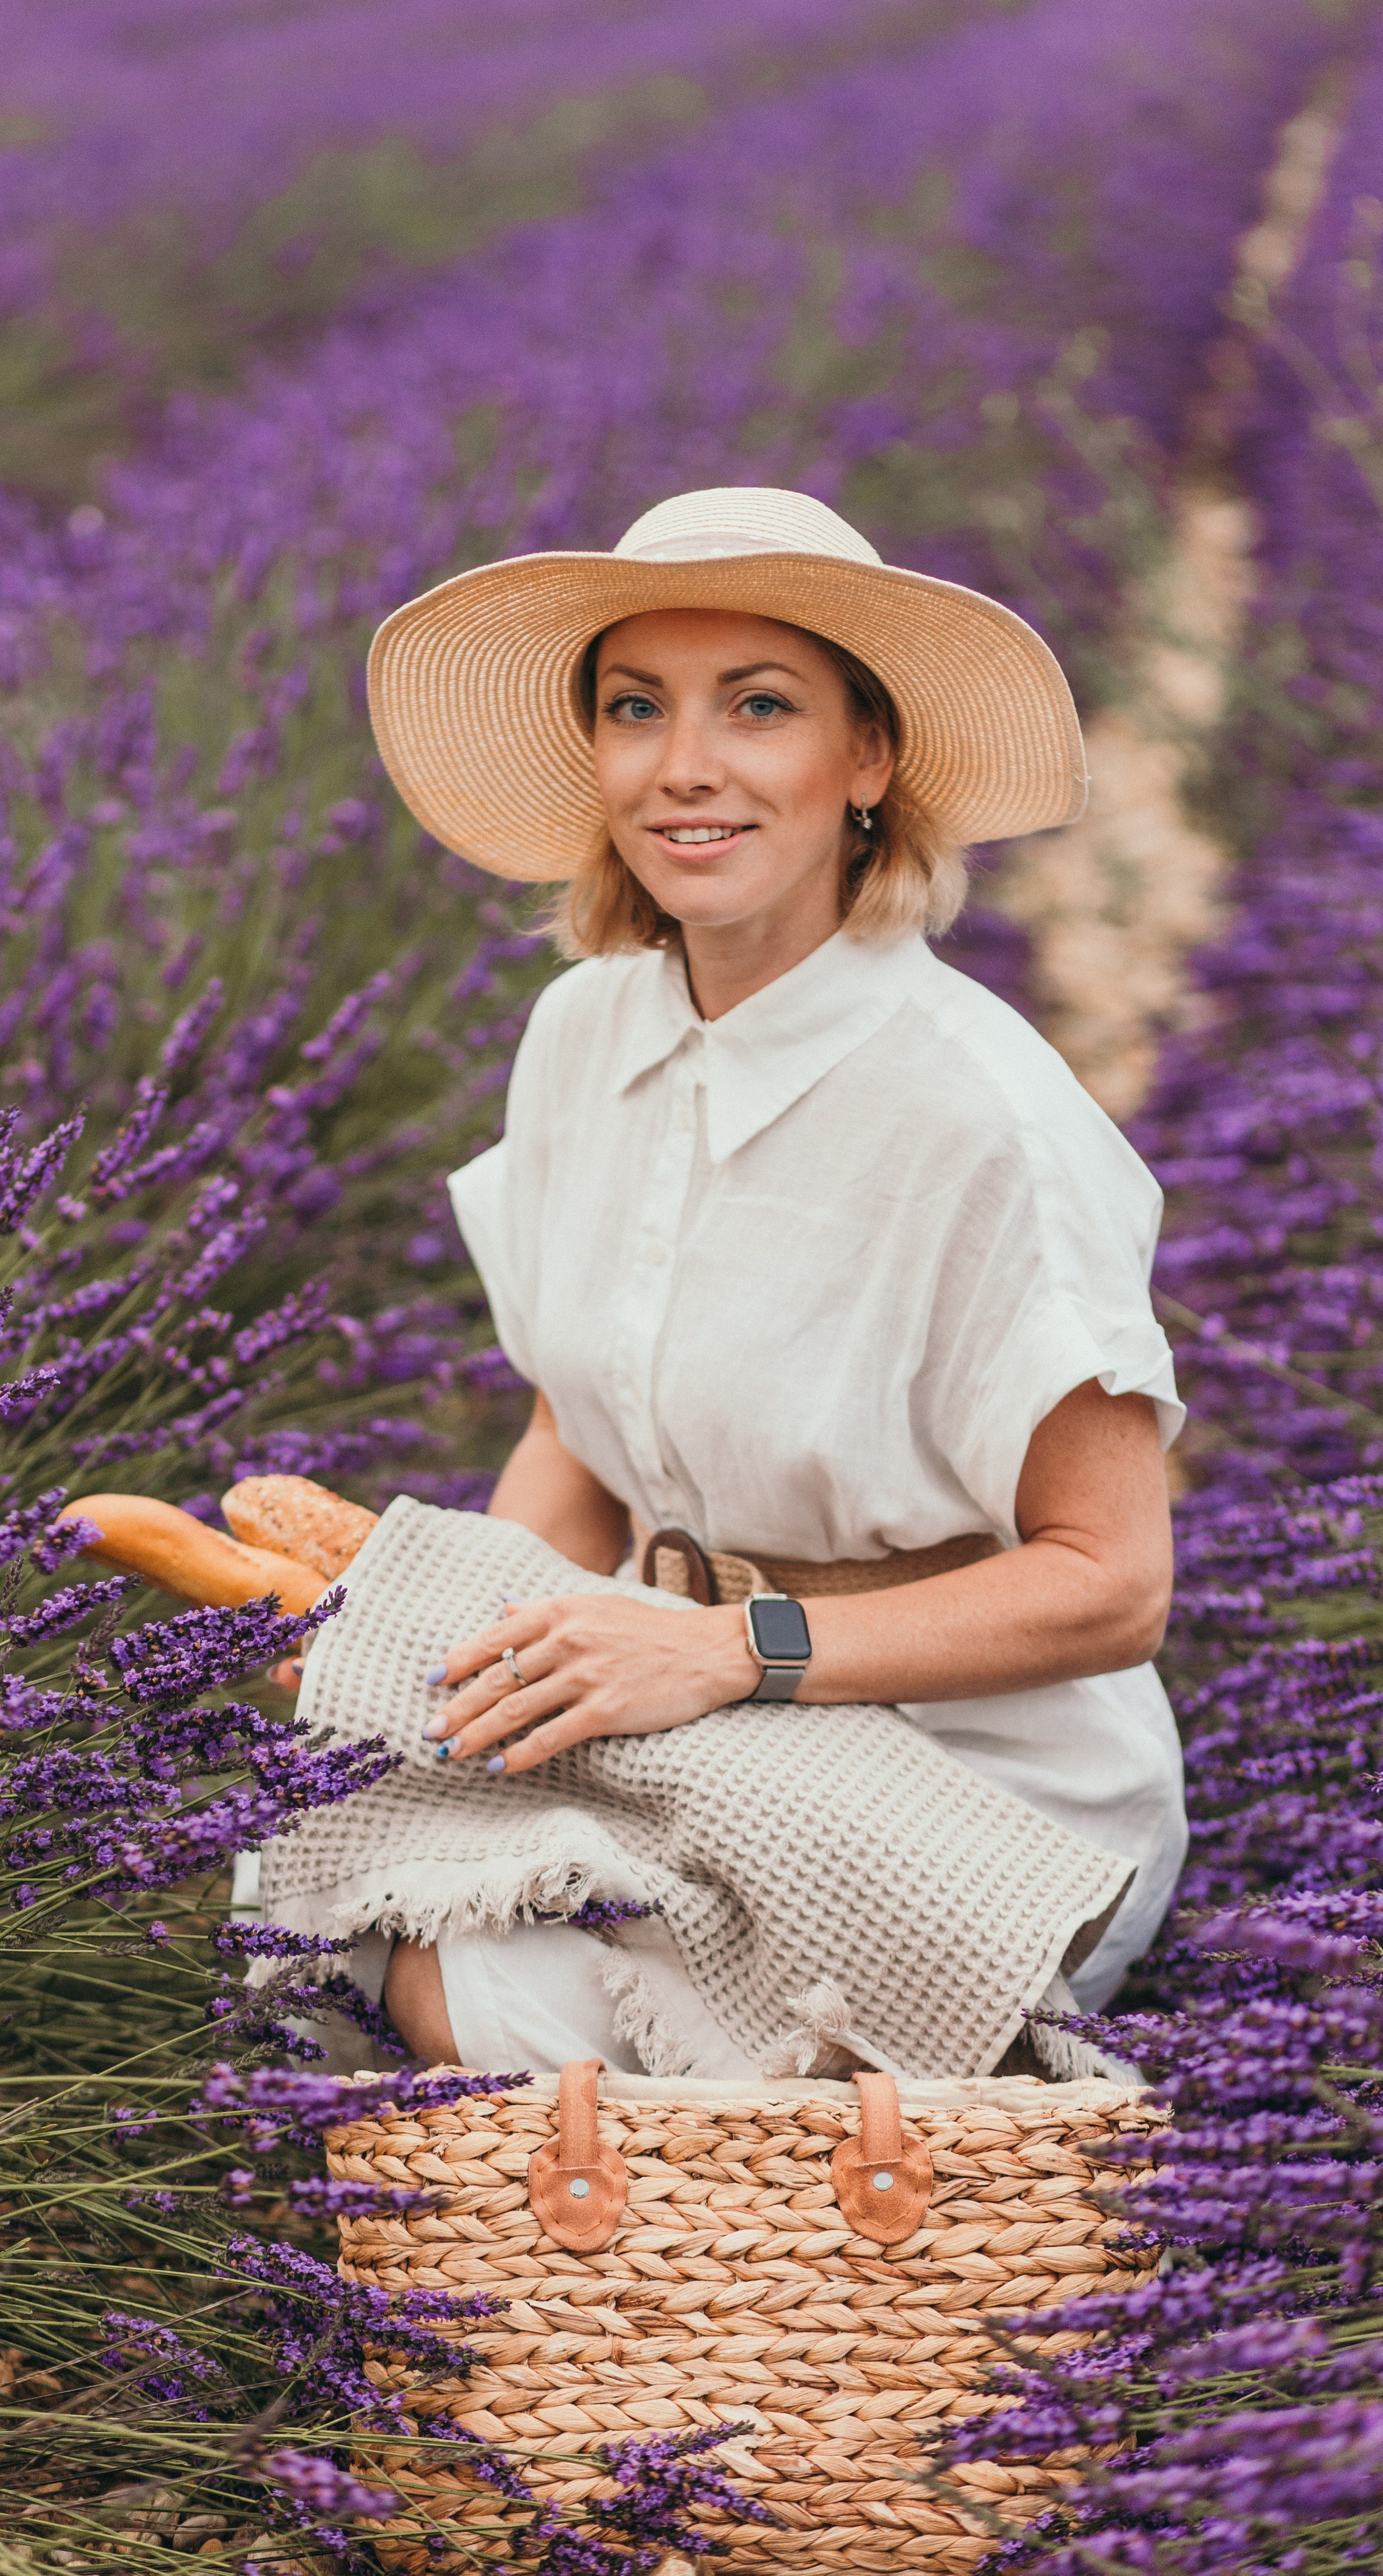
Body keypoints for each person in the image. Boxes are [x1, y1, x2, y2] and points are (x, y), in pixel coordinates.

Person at [358, 486, 1185, 2076]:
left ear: (866, 759)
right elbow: (575, 1428)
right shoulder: (581, 1033)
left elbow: (1110, 1583)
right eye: (635, 707)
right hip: (676, 1716)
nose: (685, 764)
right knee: (327, 1875)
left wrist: (735, 1652)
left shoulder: (978, 1119)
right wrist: (456, 1660)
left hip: (969, 1778)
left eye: (757, 706)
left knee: (498, 2001)